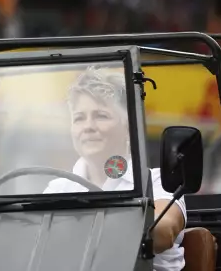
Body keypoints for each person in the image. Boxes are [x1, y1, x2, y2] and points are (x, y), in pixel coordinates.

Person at [44, 67, 187, 271]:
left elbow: (163, 232)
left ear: (129, 127)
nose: (88, 126)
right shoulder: (58, 189)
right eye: (79, 118)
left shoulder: (156, 182)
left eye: (101, 116)